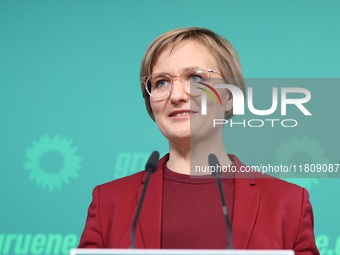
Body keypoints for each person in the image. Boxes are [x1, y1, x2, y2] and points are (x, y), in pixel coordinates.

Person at [78, 27, 319, 254]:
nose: (177, 95)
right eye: (161, 82)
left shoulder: (288, 203)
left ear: (229, 97)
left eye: (195, 78)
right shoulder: (109, 202)